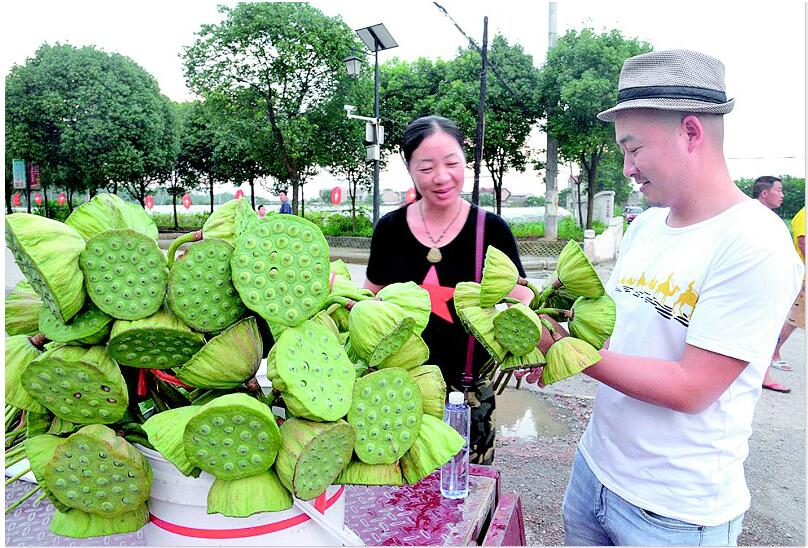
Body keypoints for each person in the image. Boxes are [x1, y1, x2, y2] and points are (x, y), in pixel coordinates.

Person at [522, 50, 803, 545]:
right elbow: (616, 331)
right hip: (595, 473)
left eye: (634, 148)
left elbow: (690, 387)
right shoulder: (647, 225)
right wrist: (539, 321)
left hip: (673, 514)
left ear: (691, 132)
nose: (627, 166)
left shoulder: (755, 243)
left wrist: (564, 349)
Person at [364, 115, 533, 465]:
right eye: (426, 167)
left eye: (452, 163)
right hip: (399, 393)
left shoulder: (492, 230)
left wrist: (527, 348)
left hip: (468, 398)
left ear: (465, 160)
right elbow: (370, 301)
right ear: (409, 168)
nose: (441, 177)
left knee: (464, 497)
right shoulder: (390, 230)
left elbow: (524, 301)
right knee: (401, 499)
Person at [753, 176, 793, 392]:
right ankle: (763, 374)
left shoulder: (769, 219)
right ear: (764, 193)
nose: (782, 195)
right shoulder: (753, 217)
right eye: (779, 190)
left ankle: (763, 372)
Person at [769, 206, 805, 373]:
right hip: (803, 274)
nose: (781, 194)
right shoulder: (804, 213)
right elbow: (802, 241)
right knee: (795, 319)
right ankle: (773, 353)